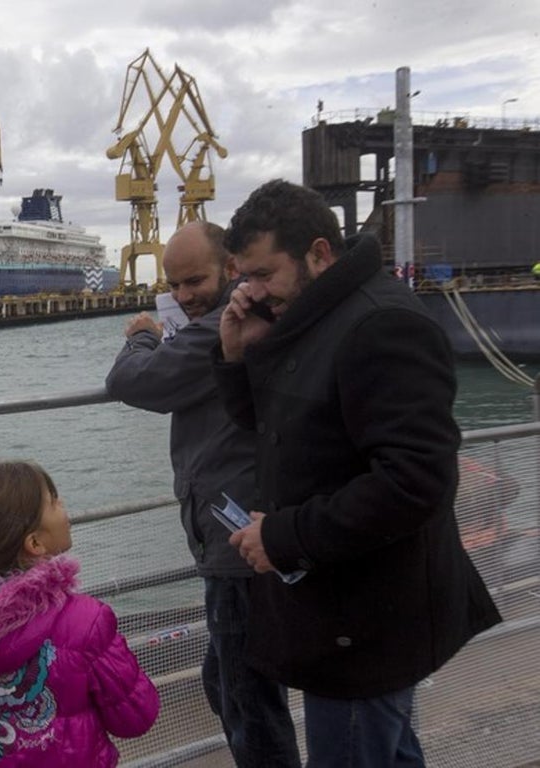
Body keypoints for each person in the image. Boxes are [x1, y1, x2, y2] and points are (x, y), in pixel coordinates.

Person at [214, 179, 503, 767]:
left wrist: (283, 538)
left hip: (365, 620)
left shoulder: (380, 323)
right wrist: (240, 353)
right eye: (244, 277)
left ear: (319, 253)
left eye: (264, 274)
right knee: (391, 755)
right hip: (347, 608)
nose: (252, 290)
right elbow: (274, 427)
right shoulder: (318, 314)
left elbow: (416, 480)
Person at [105, 221, 301, 767]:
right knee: (230, 680)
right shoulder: (233, 322)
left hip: (235, 542)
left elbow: (129, 382)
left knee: (247, 703)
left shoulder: (219, 327)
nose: (185, 296)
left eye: (196, 280)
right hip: (238, 531)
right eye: (176, 285)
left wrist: (142, 336)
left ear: (231, 268)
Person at [0, 460, 159, 766]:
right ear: (35, 543)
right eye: (54, 501)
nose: (63, 504)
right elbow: (134, 717)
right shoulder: (85, 621)